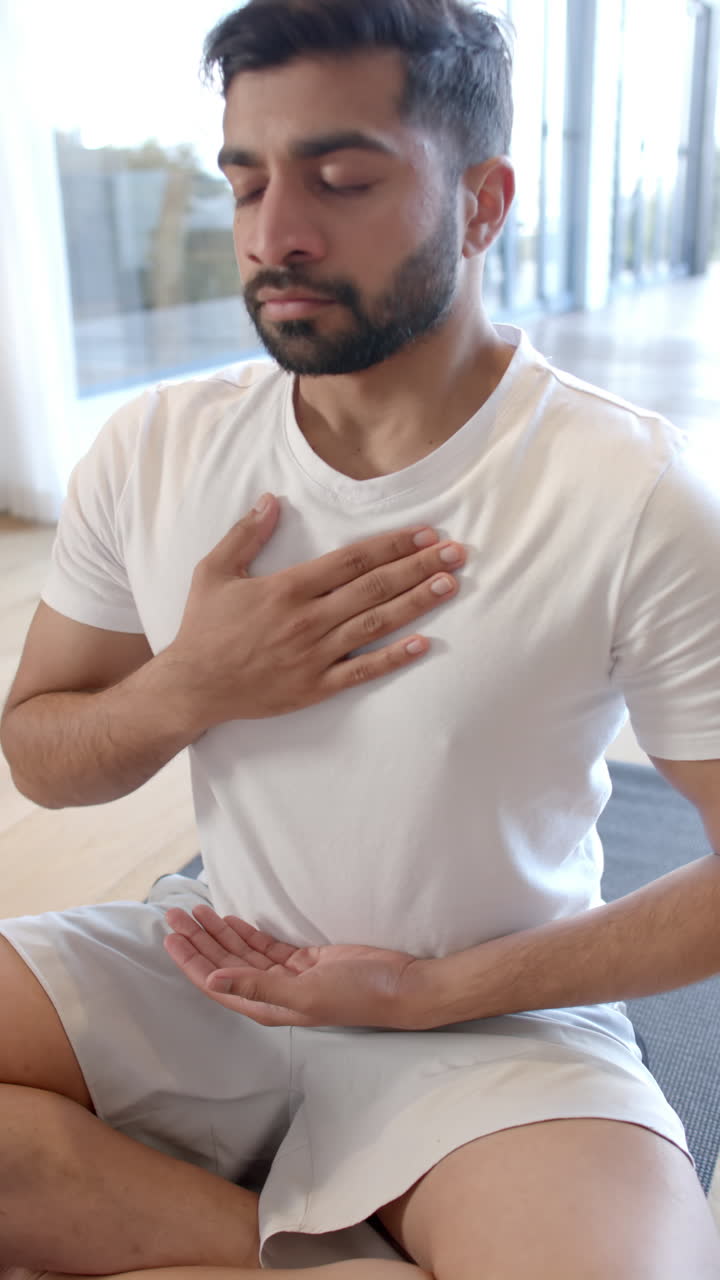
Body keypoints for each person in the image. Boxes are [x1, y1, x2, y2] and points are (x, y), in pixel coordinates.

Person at [1, 1, 720, 1277]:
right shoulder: (155, 446)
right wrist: (188, 687)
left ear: (482, 204)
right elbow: (40, 756)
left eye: (340, 179)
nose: (274, 233)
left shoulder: (634, 489)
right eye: (246, 181)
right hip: (213, 958)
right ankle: (333, 1253)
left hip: (495, 1015)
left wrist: (421, 992)